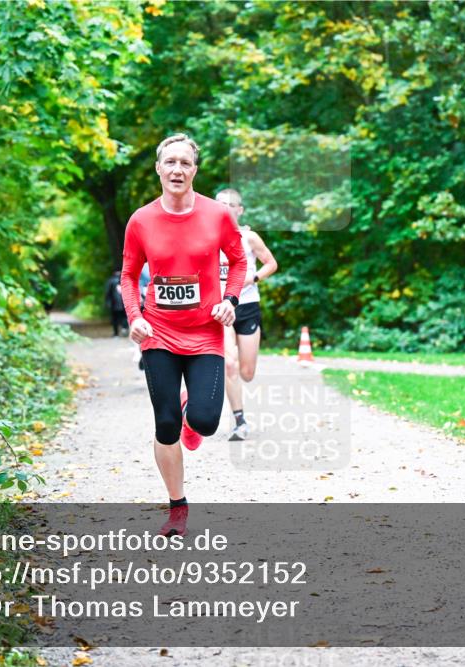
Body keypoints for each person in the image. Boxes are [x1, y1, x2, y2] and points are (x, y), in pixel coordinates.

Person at [120, 133, 246, 537]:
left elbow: (239, 261)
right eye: (170, 162)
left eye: (185, 163)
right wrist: (135, 316)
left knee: (206, 422)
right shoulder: (140, 220)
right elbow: (126, 275)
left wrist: (231, 300)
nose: (177, 169)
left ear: (195, 170)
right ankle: (177, 508)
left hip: (206, 332)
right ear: (158, 168)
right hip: (158, 332)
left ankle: (196, 418)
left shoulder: (217, 215)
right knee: (166, 422)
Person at [216, 189, 278, 440]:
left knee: (247, 372)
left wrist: (252, 278)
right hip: (222, 307)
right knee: (229, 363)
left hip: (248, 305)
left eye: (231, 205)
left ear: (239, 210)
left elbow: (271, 264)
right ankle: (239, 421)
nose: (226, 208)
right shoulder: (208, 237)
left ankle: (237, 400)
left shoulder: (249, 237)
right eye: (220, 204)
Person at [103, 269, 128, 336]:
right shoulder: (125, 280)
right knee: (124, 317)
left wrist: (108, 303)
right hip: (124, 304)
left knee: (115, 319)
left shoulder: (110, 281)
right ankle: (124, 328)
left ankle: (116, 333)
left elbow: (107, 293)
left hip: (114, 305)